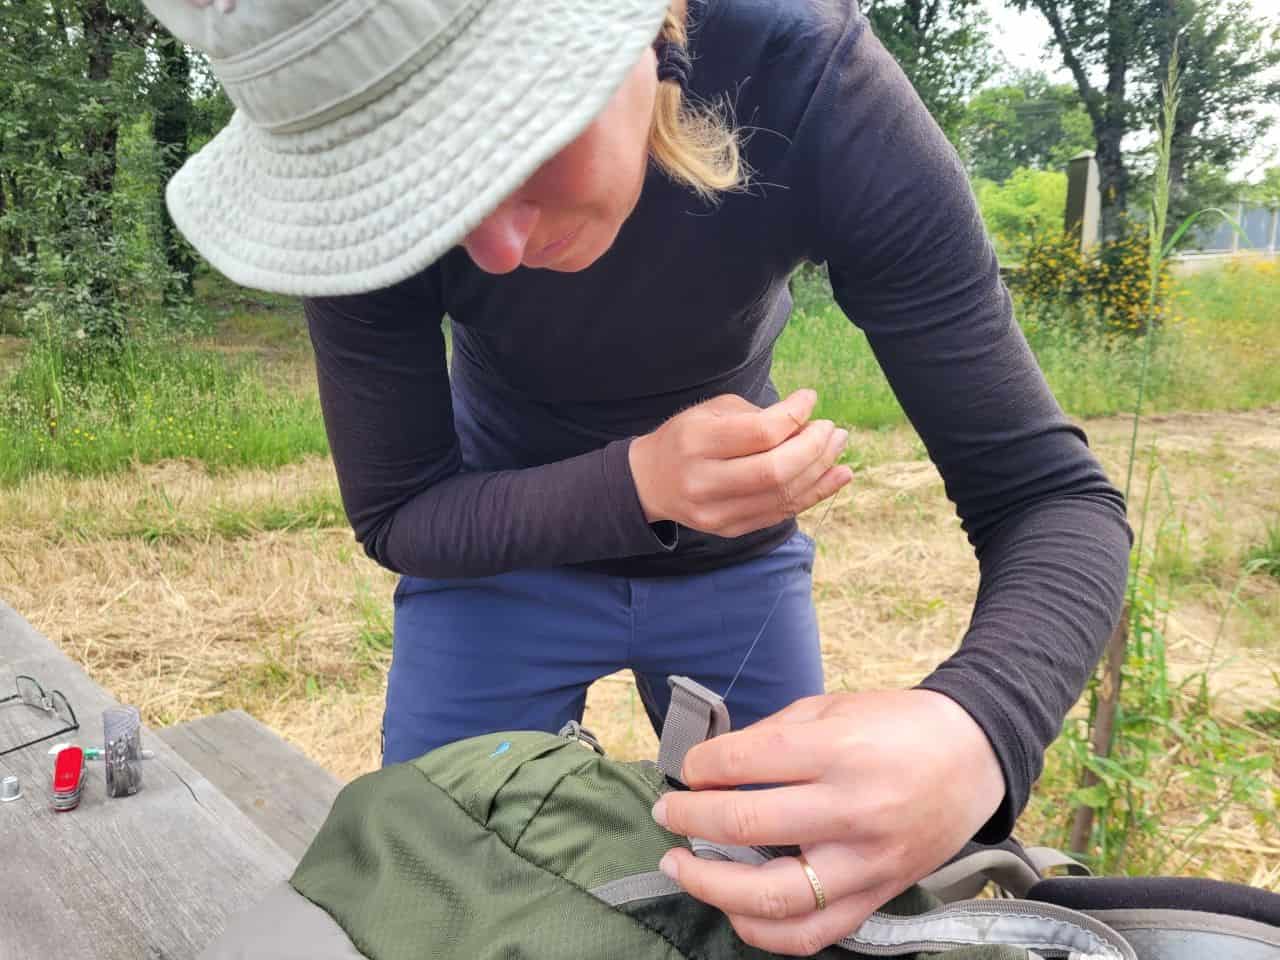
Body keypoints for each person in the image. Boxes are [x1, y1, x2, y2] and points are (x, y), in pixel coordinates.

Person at [147, 0, 1131, 953]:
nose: (494, 247)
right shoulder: (341, 143)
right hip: (495, 562)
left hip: (736, 571)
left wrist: (976, 728)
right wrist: (639, 486)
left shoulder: (809, 79)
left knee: (779, 900)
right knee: (430, 883)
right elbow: (399, 512)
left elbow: (1048, 495)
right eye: (412, 193)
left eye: (507, 137)